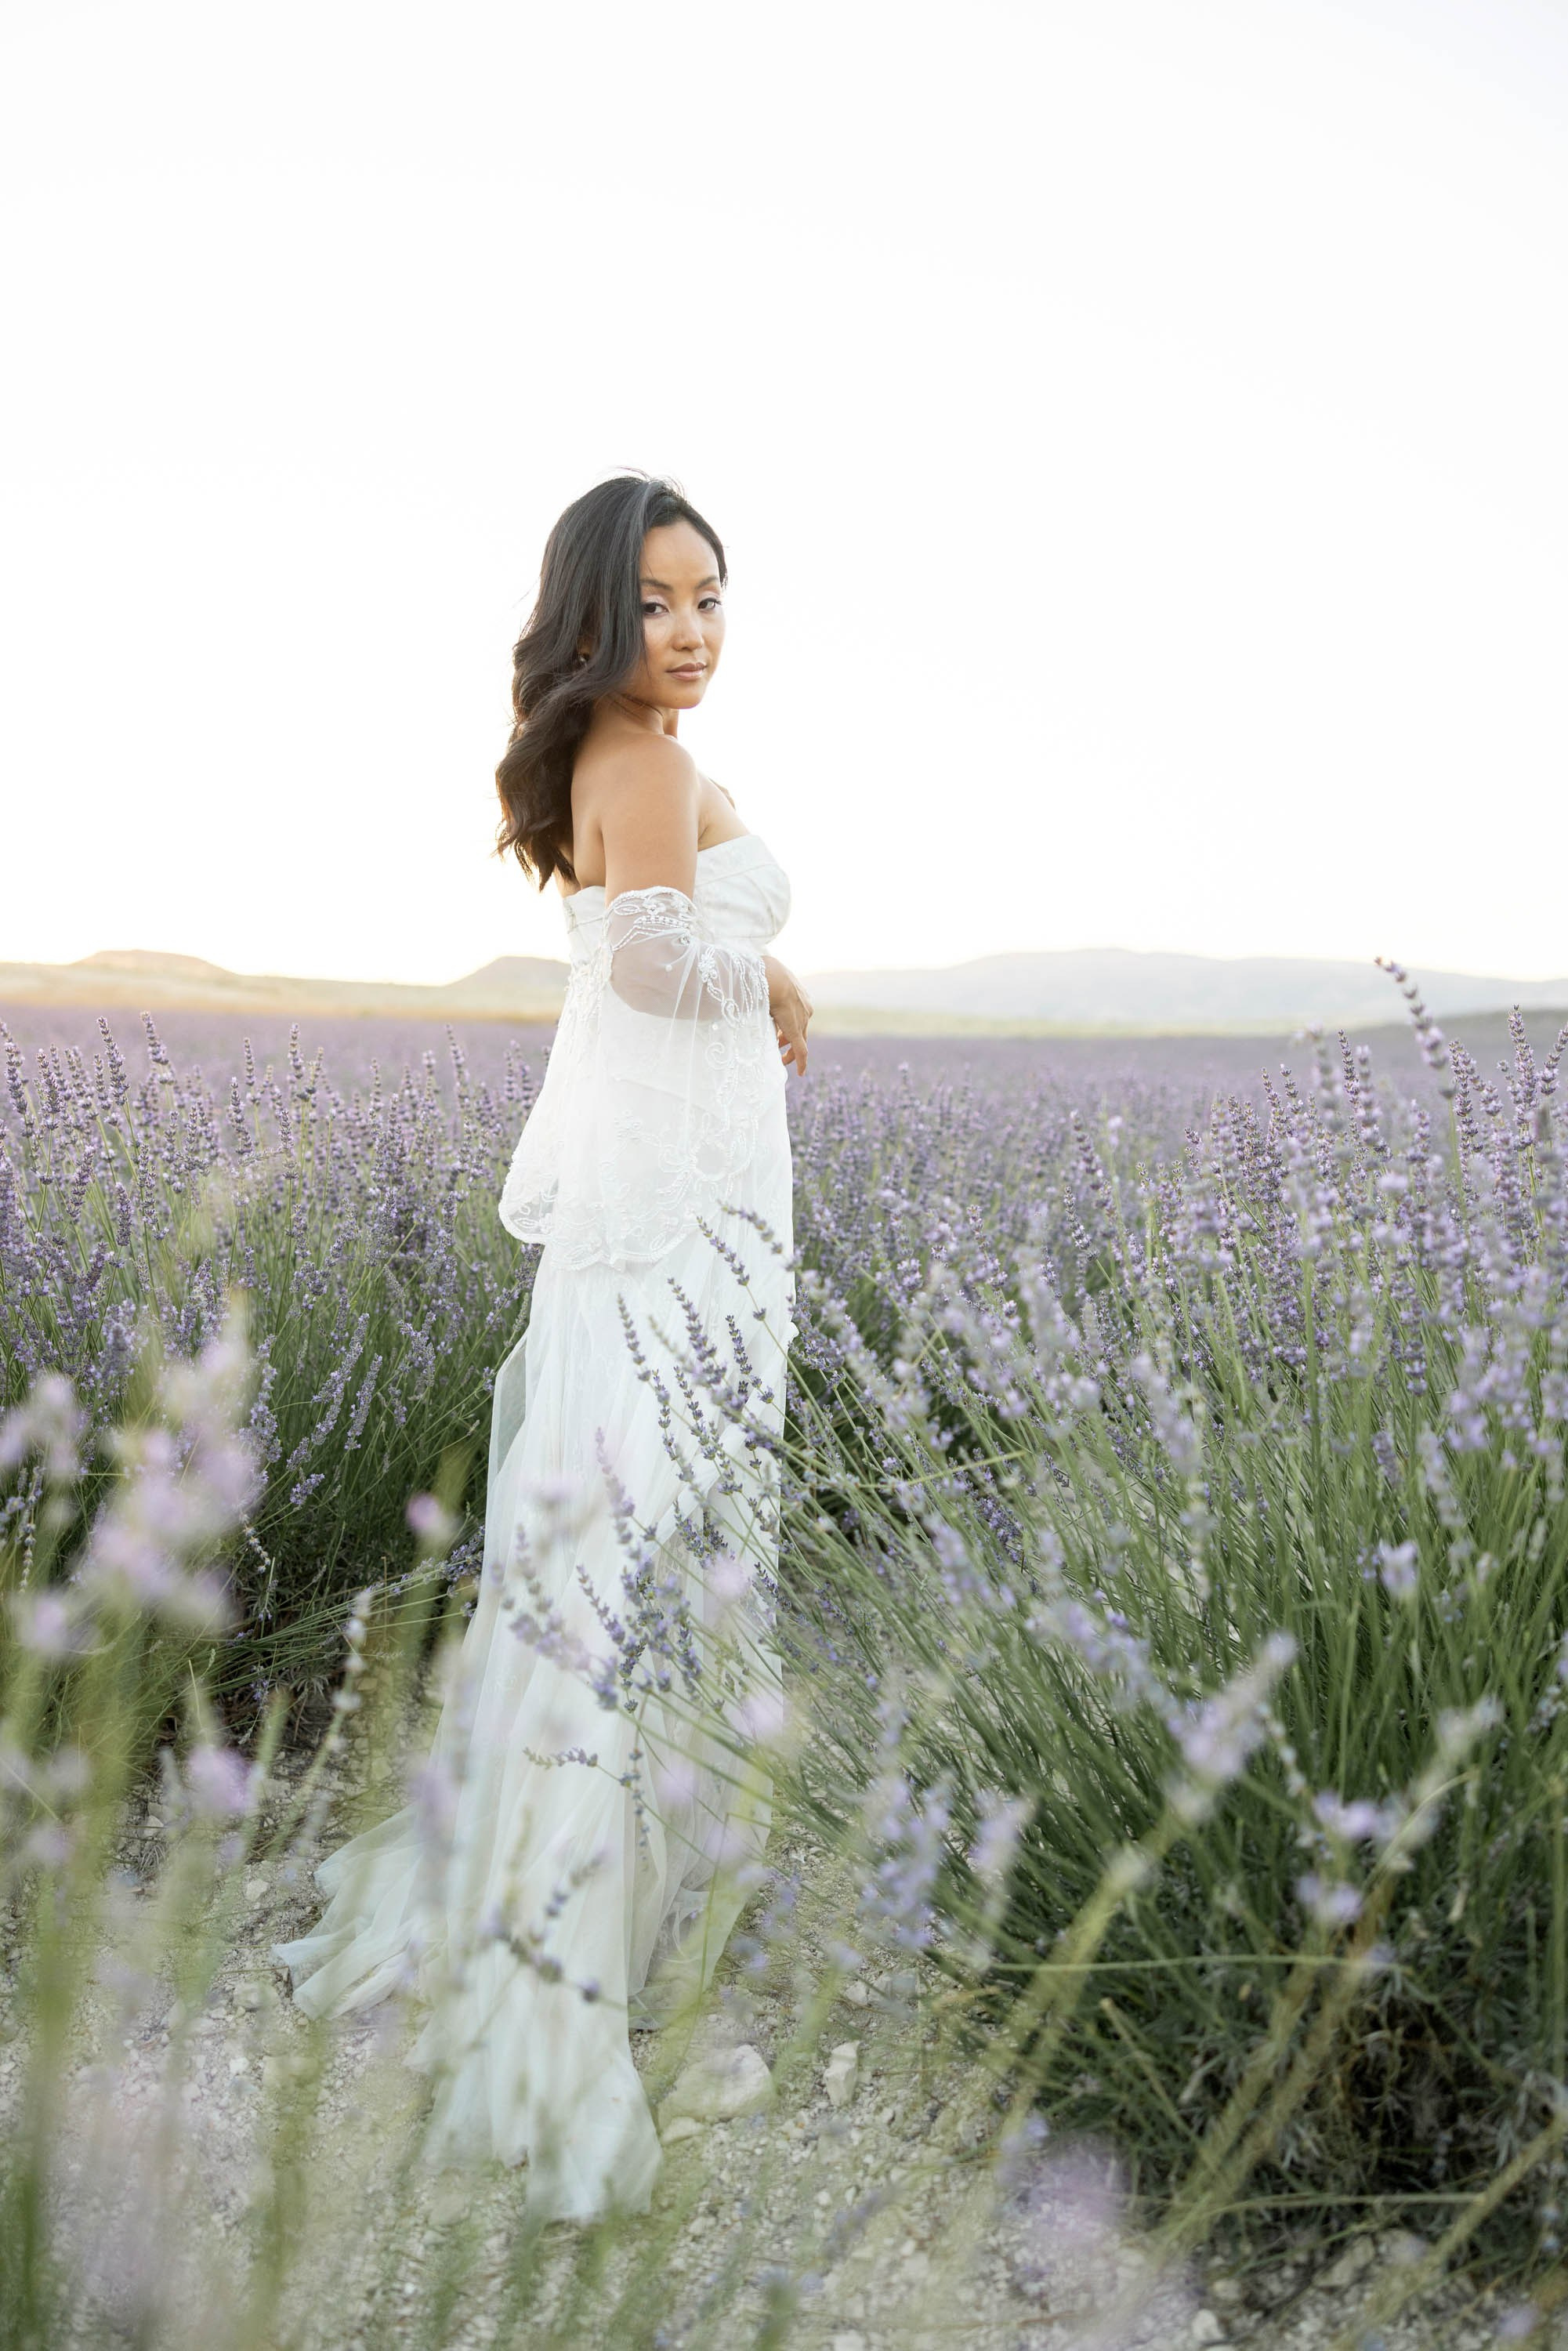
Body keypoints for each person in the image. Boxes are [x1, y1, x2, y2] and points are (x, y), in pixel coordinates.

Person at [271, 473, 812, 2220]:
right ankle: (569, 1951)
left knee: (608, 1558)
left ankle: (572, 1890)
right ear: (594, 609)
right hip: (669, 1234)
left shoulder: (614, 750)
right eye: (658, 601)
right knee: (641, 1553)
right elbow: (651, 969)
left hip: (664, 1213)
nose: (692, 632)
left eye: (711, 598)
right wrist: (784, 986)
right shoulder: (640, 760)